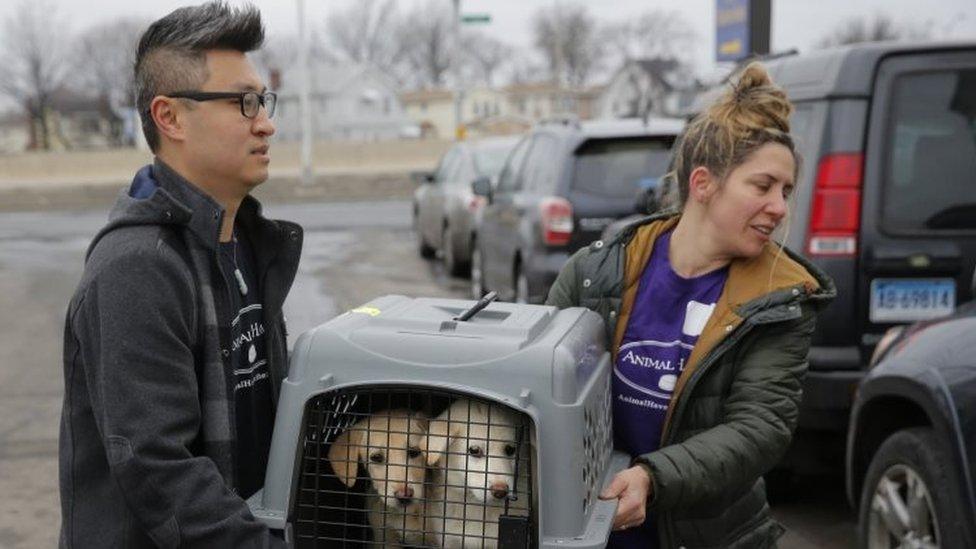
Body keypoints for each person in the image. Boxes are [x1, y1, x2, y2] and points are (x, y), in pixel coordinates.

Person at [546, 62, 836, 549]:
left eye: (785, 192)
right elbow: (541, 378)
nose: (780, 207)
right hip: (586, 530)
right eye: (762, 186)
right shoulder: (597, 270)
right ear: (703, 184)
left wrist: (651, 479)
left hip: (707, 533)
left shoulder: (780, 298)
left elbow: (759, 427)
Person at [59, 3, 299, 547]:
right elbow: (156, 465)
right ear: (169, 117)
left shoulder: (242, 243)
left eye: (263, 100)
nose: (266, 121)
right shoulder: (137, 267)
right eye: (243, 102)